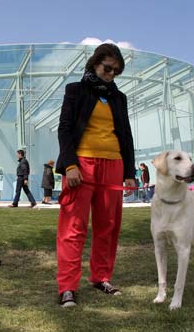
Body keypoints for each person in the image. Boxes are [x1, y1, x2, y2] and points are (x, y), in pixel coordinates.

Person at [55, 43, 135, 307]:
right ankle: (67, 287)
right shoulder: (75, 91)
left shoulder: (119, 98)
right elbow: (65, 129)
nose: (111, 75)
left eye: (116, 72)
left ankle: (101, 277)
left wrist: (129, 172)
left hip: (113, 165)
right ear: (94, 64)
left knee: (107, 227)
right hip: (81, 165)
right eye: (107, 69)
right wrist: (69, 165)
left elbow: (126, 135)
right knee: (73, 228)